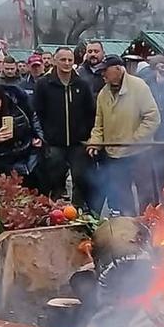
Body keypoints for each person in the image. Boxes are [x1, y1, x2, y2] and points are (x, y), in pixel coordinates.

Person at [87, 54, 160, 215]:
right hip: (114, 154)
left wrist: (135, 140)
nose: (102, 74)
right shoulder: (103, 94)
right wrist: (95, 141)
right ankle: (128, 228)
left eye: (105, 71)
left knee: (145, 194)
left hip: (139, 152)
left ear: (118, 69)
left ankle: (149, 224)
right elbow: (99, 124)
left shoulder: (139, 87)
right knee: (121, 195)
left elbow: (152, 118)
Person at [34, 47, 96, 207]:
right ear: (55, 61)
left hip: (78, 141)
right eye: (63, 60)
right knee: (55, 179)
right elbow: (37, 112)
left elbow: (90, 112)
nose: (67, 63)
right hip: (54, 142)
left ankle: (79, 211)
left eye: (70, 60)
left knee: (81, 178)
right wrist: (41, 135)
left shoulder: (82, 85)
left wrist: (89, 134)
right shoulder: (44, 84)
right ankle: (56, 211)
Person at [0, 81, 44, 181]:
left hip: (29, 154)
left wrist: (38, 137)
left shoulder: (18, 103)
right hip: (2, 160)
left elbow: (33, 119)